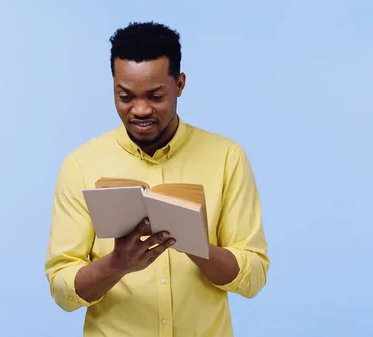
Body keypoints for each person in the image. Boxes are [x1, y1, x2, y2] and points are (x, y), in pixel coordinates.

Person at [44, 21, 270, 337]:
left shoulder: (226, 157)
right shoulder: (81, 164)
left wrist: (192, 242)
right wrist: (118, 264)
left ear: (179, 85)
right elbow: (62, 290)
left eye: (155, 96)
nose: (139, 110)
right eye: (125, 96)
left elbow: (253, 277)